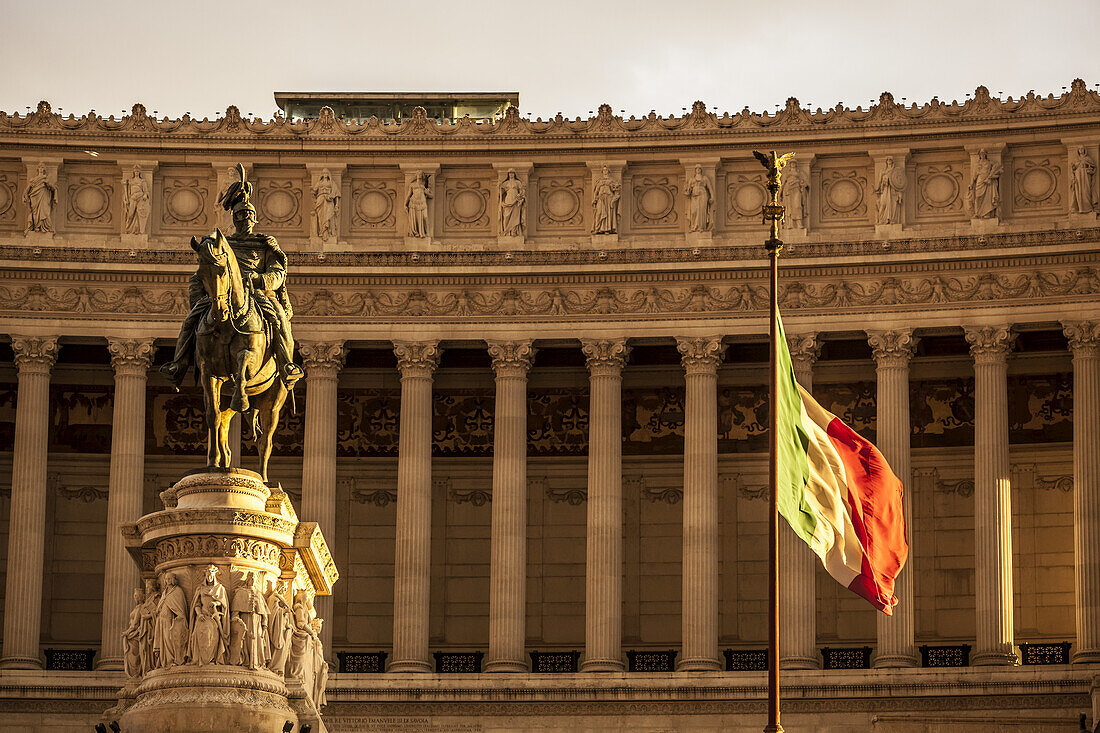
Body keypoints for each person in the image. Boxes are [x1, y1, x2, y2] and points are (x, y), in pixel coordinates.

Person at [160, 166, 303, 390]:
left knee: (278, 318)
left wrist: (258, 280)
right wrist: (201, 300)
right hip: (221, 296)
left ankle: (286, 365)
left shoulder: (264, 244)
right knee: (191, 321)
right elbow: (199, 277)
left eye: (248, 215)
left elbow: (278, 274)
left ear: (255, 219)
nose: (244, 218)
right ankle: (178, 364)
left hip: (257, 297)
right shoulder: (222, 246)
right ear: (233, 218)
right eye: (240, 215)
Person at [188, 565, 230, 666]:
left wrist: (216, 603)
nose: (209, 577)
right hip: (202, 616)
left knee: (211, 637)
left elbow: (223, 603)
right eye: (207, 576)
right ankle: (199, 659)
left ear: (214, 575)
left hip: (214, 617)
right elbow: (196, 604)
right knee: (197, 635)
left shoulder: (220, 588)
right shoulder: (200, 588)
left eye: (211, 575)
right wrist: (199, 614)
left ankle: (211, 659)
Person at [153, 572, 189, 667]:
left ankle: (172, 659)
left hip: (171, 620)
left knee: (169, 639)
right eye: (166, 579)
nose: (167, 581)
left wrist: (179, 618)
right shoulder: (164, 592)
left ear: (173, 579)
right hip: (161, 620)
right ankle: (165, 660)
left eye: (169, 578)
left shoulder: (177, 591)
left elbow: (180, 608)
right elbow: (161, 605)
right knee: (164, 640)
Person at [967, 148, 1002, 218]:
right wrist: (971, 184)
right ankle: (977, 213)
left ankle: (986, 213)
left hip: (988, 182)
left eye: (983, 153)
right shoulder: (977, 164)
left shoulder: (989, 163)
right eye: (981, 153)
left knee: (988, 197)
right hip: (979, 181)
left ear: (986, 154)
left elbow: (997, 167)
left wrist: (990, 176)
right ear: (979, 155)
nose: (982, 155)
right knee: (978, 197)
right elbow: (974, 175)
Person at [23, 163, 56, 233]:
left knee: (45, 211)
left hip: (44, 196)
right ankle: (36, 226)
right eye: (40, 167)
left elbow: (53, 189)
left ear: (44, 169)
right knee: (35, 212)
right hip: (34, 196)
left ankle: (44, 226)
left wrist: (48, 184)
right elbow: (27, 189)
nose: (41, 169)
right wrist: (24, 196)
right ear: (37, 169)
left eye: (42, 167)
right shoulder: (33, 180)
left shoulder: (47, 179)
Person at [312, 169, 340, 241]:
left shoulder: (331, 183)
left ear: (328, 174)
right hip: (320, 200)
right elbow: (314, 191)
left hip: (329, 200)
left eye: (326, 173)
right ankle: (322, 231)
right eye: (324, 173)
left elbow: (336, 194)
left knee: (329, 215)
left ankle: (328, 232)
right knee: (321, 217)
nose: (325, 174)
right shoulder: (319, 182)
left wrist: (336, 205)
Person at [591, 166, 620, 234]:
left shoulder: (611, 180)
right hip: (600, 198)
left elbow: (614, 190)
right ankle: (597, 228)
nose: (605, 171)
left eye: (606, 170)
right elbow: (596, 191)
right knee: (599, 213)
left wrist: (616, 188)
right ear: (602, 172)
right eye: (604, 170)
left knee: (608, 214)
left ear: (608, 171)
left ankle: (607, 229)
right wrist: (594, 199)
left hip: (609, 197)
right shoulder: (599, 181)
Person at [123, 169, 151, 235]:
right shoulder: (131, 181)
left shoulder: (142, 181)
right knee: (130, 214)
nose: (136, 173)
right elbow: (128, 191)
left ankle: (137, 229)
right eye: (135, 171)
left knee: (140, 214)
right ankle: (128, 229)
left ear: (139, 173)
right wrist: (126, 198)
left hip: (140, 197)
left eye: (138, 171)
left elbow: (146, 191)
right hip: (132, 198)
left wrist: (144, 195)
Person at [686, 165, 713, 232]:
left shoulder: (705, 178)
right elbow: (688, 189)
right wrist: (688, 192)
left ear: (701, 170)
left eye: (699, 168)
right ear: (695, 170)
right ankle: (693, 226)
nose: (698, 170)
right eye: (697, 168)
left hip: (703, 195)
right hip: (694, 196)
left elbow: (710, 188)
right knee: (694, 211)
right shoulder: (692, 179)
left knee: (701, 211)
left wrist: (712, 196)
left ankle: (701, 227)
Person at [499, 169, 526, 236]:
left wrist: (520, 195)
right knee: (506, 216)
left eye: (512, 173)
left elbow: (522, 192)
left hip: (516, 200)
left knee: (515, 216)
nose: (511, 174)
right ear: (508, 174)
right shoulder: (505, 183)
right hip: (508, 200)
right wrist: (499, 187)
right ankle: (506, 231)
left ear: (515, 174)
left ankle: (514, 231)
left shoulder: (518, 182)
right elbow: (501, 193)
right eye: (510, 173)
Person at [405, 172, 432, 237]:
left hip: (422, 203)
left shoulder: (424, 185)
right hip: (414, 203)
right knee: (415, 219)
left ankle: (424, 232)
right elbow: (409, 195)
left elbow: (431, 196)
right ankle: (415, 232)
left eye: (420, 174)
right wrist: (405, 204)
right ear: (416, 175)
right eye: (418, 174)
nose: (419, 175)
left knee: (425, 217)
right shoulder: (412, 185)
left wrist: (426, 191)